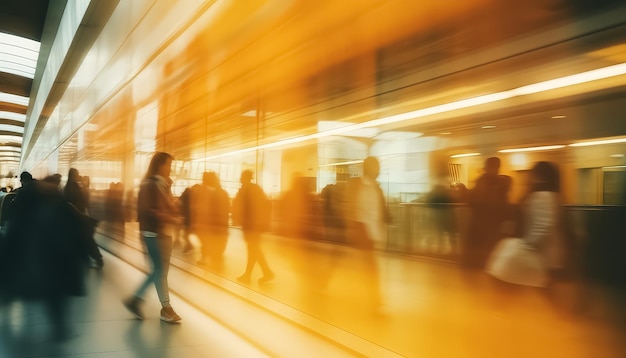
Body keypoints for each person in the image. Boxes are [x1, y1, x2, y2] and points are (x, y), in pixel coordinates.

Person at [0, 175, 90, 341]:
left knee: (48, 293)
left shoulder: (27, 205)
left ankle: (59, 328)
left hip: (38, 262)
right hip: (48, 263)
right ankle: (60, 328)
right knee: (53, 294)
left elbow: (13, 239)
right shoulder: (56, 206)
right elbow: (74, 234)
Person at [123, 152, 183, 322]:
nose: (171, 169)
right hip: (153, 233)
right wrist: (170, 217)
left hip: (164, 233)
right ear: (159, 165)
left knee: (161, 271)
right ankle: (144, 301)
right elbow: (146, 210)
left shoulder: (164, 185)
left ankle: (162, 307)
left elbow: (166, 208)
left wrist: (174, 210)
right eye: (168, 165)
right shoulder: (149, 185)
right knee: (158, 270)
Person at [344, 156, 390, 311]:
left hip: (375, 234)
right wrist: (352, 227)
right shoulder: (356, 185)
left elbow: (381, 210)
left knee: (364, 268)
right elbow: (350, 208)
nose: (379, 170)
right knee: (370, 269)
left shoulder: (377, 188)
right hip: (363, 232)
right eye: (377, 167)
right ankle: (375, 301)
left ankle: (367, 299)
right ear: (369, 168)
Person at [460, 157, 512, 269]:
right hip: (490, 226)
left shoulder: (483, 182)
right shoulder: (499, 183)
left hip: (481, 225)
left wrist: (465, 193)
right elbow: (503, 205)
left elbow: (474, 200)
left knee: (480, 258)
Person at [232, 170, 274, 284]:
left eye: (241, 176)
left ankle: (263, 272)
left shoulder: (246, 189)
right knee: (253, 249)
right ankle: (262, 272)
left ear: (244, 177)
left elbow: (242, 206)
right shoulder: (255, 188)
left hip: (251, 224)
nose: (240, 179)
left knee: (253, 249)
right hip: (255, 224)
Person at [64, 168, 104, 269]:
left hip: (73, 217)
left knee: (81, 238)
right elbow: (83, 201)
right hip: (80, 216)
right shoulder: (77, 186)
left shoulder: (67, 187)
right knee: (87, 238)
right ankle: (96, 258)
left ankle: (87, 259)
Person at [192, 172, 230, 269]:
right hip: (220, 227)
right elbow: (227, 209)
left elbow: (204, 209)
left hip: (213, 226)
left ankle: (208, 261)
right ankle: (213, 266)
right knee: (216, 253)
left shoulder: (209, 192)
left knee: (211, 248)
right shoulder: (222, 192)